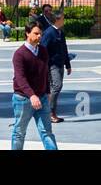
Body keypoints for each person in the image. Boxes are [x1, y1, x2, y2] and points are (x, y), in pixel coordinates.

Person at [11, 18, 58, 150]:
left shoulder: (43, 51)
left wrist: (47, 91)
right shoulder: (19, 54)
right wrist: (31, 95)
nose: (39, 36)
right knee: (19, 133)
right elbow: (20, 78)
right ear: (27, 33)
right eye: (36, 33)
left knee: (47, 132)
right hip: (23, 99)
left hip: (42, 98)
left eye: (40, 34)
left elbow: (45, 73)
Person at [40, 10, 72, 123]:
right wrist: (43, 65)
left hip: (60, 64)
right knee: (56, 86)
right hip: (52, 65)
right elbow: (42, 49)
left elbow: (64, 49)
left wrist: (68, 64)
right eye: (62, 18)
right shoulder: (49, 33)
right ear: (57, 19)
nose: (64, 20)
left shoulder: (60, 32)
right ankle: (49, 112)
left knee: (56, 87)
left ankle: (51, 112)